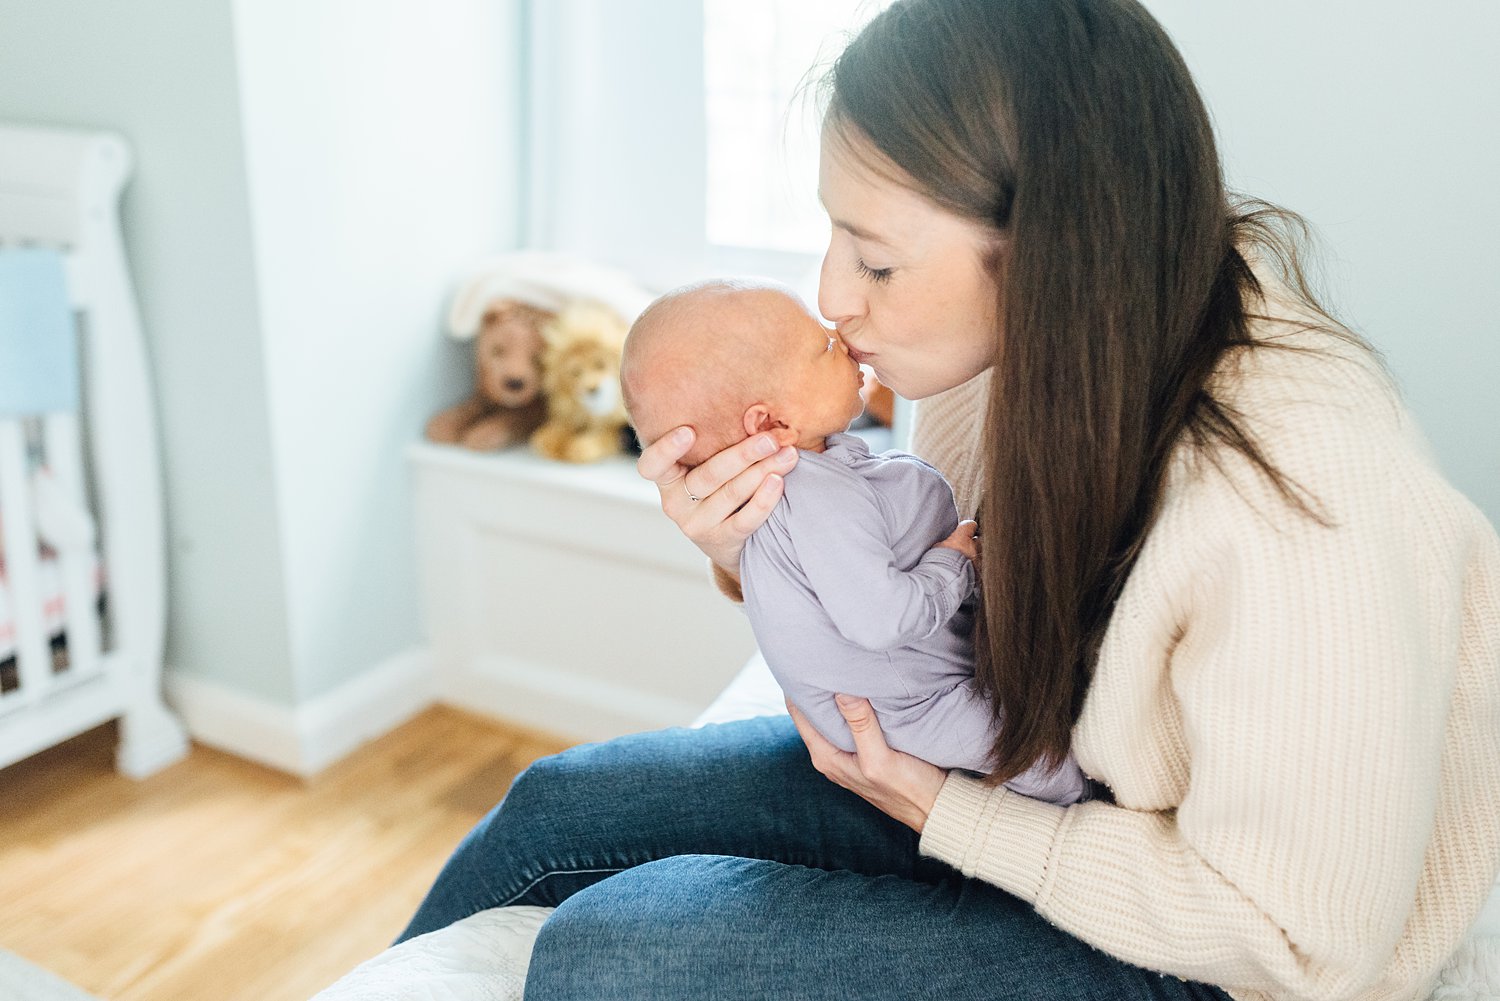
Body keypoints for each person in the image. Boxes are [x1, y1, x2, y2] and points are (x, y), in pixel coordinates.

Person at [400, 1, 1500, 997]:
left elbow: (1301, 935)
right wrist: (748, 542)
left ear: (1051, 252)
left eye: (875, 262)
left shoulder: (1303, 502)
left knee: (614, 946)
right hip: (1028, 770)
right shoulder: (1006, 352)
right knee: (555, 805)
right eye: (833, 236)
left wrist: (949, 813)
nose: (832, 296)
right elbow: (923, 584)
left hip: (1226, 945)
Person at [620, 279, 1087, 797]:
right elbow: (881, 618)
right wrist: (954, 564)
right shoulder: (816, 494)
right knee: (1040, 760)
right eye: (822, 346)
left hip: (896, 698)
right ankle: (1078, 810)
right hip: (908, 713)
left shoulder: (811, 476)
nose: (839, 337)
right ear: (773, 422)